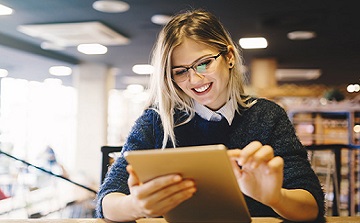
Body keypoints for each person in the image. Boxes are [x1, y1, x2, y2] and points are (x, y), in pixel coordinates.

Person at [96, 9, 325, 222]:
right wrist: (136, 205)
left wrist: (275, 197)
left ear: (230, 57)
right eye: (181, 71)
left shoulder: (267, 116)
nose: (195, 80)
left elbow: (311, 205)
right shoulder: (156, 120)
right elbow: (107, 199)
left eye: (204, 63)